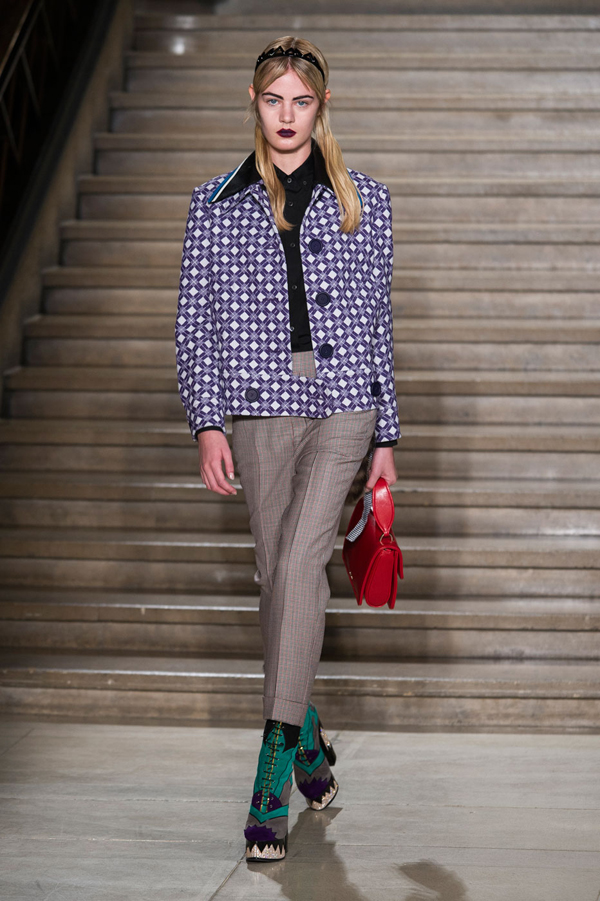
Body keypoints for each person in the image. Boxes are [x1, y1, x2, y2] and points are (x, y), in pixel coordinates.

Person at [175, 36, 401, 862]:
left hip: (343, 402)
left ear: (321, 106)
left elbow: (378, 320)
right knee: (277, 575)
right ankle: (308, 740)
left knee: (303, 557)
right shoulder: (214, 202)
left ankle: (270, 773)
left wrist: (387, 433)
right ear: (254, 100)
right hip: (258, 404)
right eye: (274, 99)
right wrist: (207, 420)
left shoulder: (366, 200)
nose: (286, 115)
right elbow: (194, 321)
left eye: (301, 101)